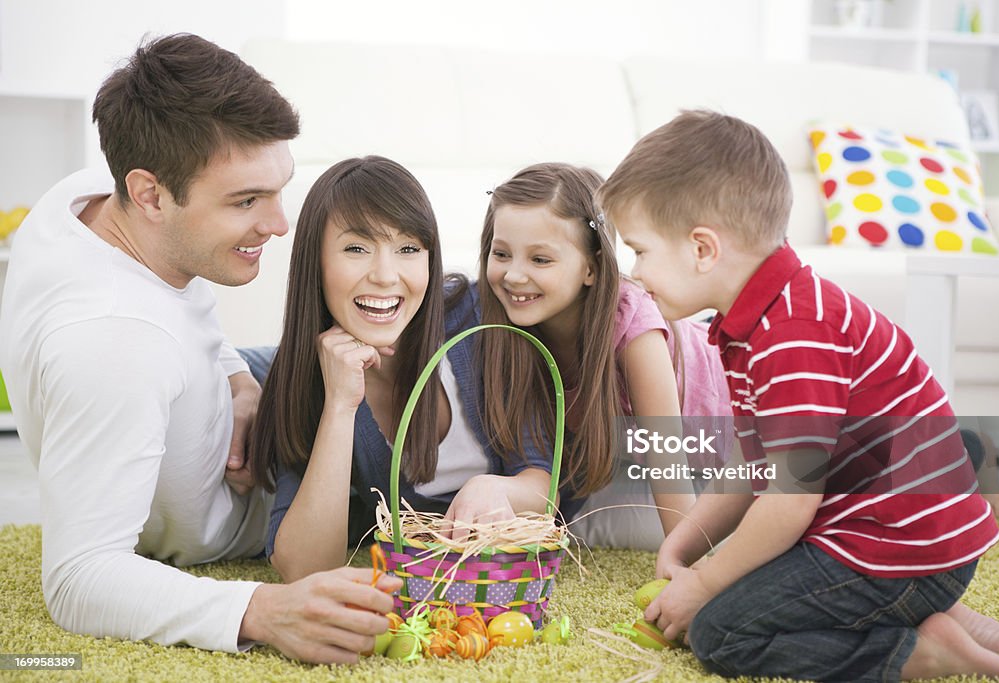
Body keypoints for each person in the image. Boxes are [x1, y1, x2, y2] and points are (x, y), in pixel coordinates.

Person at [0, 34, 400, 665]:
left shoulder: (83, 202)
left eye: (276, 189)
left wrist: (238, 383)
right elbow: (78, 579)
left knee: (439, 338)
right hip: (274, 497)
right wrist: (262, 610)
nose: (278, 224)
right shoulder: (112, 346)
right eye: (245, 201)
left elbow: (186, 316)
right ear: (151, 194)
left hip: (246, 402)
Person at [598, 109, 999, 681]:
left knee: (719, 631)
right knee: (744, 575)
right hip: (883, 535)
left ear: (702, 249)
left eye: (641, 250)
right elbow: (751, 465)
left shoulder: (795, 333)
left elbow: (789, 501)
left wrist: (703, 582)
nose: (635, 273)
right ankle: (935, 612)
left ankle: (921, 650)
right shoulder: (754, 322)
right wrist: (686, 547)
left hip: (901, 546)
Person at [248, 156, 557, 583]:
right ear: (314, 262)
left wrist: (494, 487)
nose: (385, 275)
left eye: (409, 249)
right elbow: (305, 567)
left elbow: (547, 489)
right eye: (356, 248)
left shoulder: (476, 320)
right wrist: (340, 404)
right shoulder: (307, 378)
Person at [476, 162, 731, 551]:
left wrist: (686, 571)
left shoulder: (632, 324)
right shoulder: (511, 325)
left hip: (735, 430)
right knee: (582, 530)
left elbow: (668, 462)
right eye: (502, 254)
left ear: (591, 268)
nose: (513, 275)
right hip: (639, 456)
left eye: (539, 259)